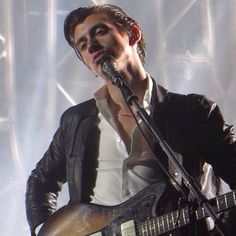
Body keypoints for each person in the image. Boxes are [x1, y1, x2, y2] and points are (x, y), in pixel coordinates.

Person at [25, 4, 236, 236]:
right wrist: (43, 230)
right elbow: (40, 181)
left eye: (99, 32)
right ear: (88, 65)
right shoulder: (76, 121)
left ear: (133, 33)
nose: (92, 45)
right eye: (82, 45)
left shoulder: (192, 112)